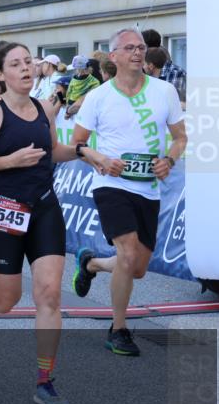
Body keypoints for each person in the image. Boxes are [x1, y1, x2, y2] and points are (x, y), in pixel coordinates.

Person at [0, 42, 78, 404]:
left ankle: (45, 381)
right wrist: (10, 161)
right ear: (0, 74)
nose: (26, 68)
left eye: (29, 61)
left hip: (44, 207)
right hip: (3, 210)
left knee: (49, 294)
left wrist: (84, 152)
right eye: (16, 64)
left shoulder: (45, 109)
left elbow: (53, 151)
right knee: (7, 300)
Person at [70, 28, 187, 356]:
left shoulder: (164, 92)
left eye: (141, 47)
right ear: (114, 56)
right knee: (128, 254)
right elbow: (76, 144)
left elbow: (180, 137)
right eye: (130, 48)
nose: (138, 52)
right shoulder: (98, 97)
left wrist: (169, 159)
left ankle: (91, 264)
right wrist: (100, 158)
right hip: (111, 185)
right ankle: (118, 329)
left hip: (148, 189)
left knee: (136, 267)